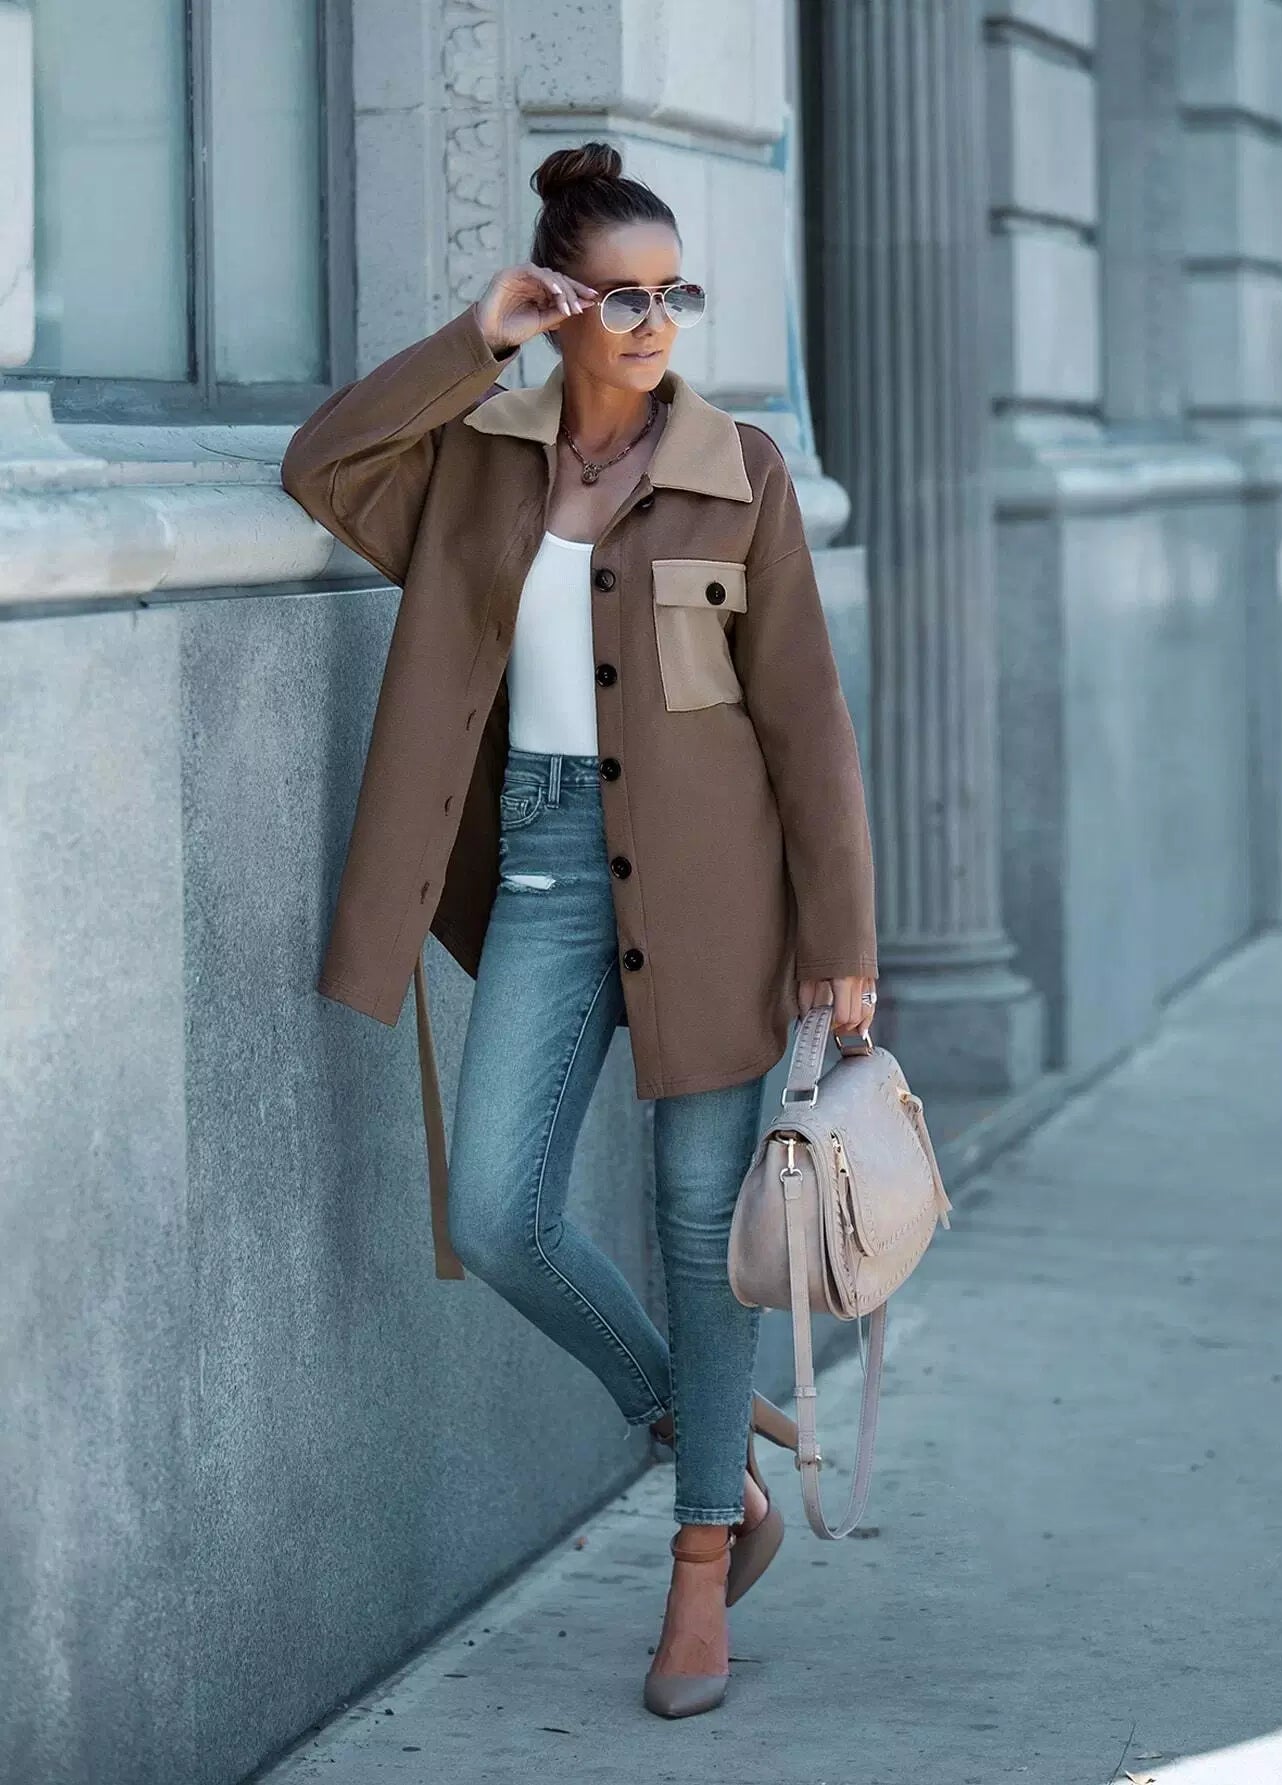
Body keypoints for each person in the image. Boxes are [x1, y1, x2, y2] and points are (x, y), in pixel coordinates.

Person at [281, 139, 879, 1720]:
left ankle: (698, 1568)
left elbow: (809, 727)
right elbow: (321, 466)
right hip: (545, 872)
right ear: (560, 303)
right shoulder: (478, 465)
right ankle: (707, 1436)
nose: (656, 320)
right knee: (496, 1209)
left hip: (718, 891)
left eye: (676, 292)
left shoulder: (741, 472)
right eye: (622, 296)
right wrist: (471, 340)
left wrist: (843, 942)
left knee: (696, 1229)